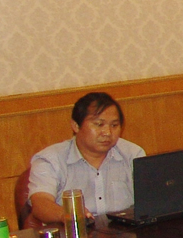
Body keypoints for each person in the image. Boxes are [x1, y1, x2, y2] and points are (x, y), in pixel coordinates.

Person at [27, 91, 145, 223]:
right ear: (76, 126)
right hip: (75, 232)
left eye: (114, 125)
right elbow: (40, 203)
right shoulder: (50, 160)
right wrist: (68, 216)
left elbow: (151, 199)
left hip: (124, 232)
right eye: (99, 124)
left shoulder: (132, 154)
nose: (107, 132)